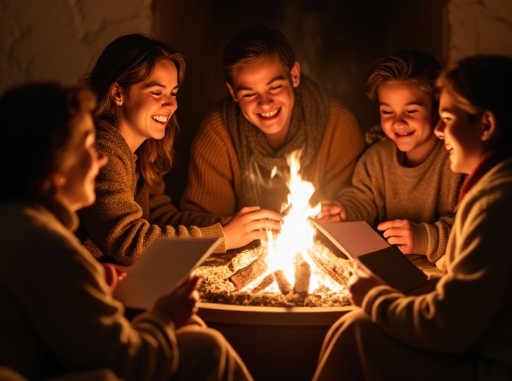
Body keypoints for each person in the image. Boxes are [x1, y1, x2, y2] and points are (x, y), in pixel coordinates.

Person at [0, 82, 252, 381]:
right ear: (55, 167)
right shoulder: (47, 247)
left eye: (174, 91)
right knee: (206, 348)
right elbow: (128, 363)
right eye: (86, 145)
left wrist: (91, 283)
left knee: (198, 341)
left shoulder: (17, 222)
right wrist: (164, 317)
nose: (100, 158)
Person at [312, 54, 512, 381]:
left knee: (358, 333)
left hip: (489, 366)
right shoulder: (491, 185)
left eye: (446, 117)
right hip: (472, 344)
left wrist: (375, 296)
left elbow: (448, 326)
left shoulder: (495, 203)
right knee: (356, 328)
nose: (438, 129)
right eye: (387, 111)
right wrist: (345, 211)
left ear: (487, 125)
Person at [76, 33, 281, 266]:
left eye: (173, 93)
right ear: (118, 93)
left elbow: (160, 218)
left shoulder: (142, 151)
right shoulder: (102, 150)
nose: (171, 104)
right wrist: (222, 237)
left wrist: (240, 226)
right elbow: (129, 242)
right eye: (157, 92)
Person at [180, 24, 366, 218]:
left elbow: (355, 209)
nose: (265, 103)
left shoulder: (337, 125)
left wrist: (337, 216)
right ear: (233, 93)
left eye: (275, 87)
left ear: (294, 75)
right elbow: (201, 224)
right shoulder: (219, 131)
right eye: (250, 94)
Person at [317, 49, 464, 263]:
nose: (398, 122)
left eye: (411, 111)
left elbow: (473, 229)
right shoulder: (376, 159)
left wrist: (424, 238)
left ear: (436, 108)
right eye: (387, 112)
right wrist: (344, 212)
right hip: (395, 270)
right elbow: (362, 199)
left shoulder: (457, 160)